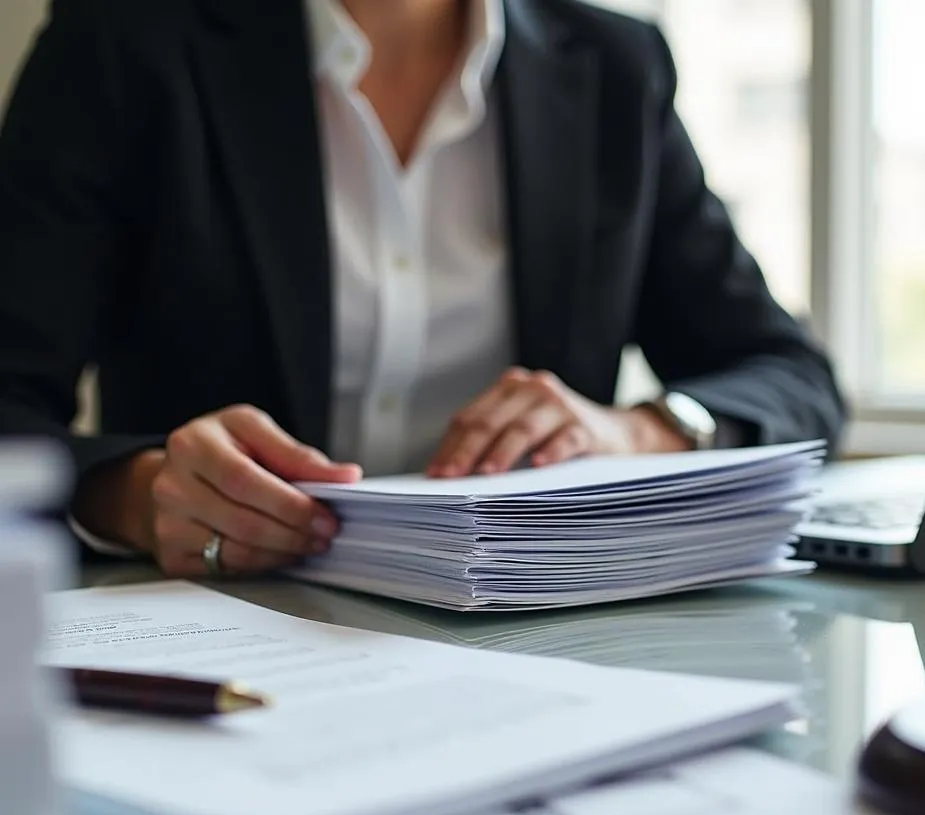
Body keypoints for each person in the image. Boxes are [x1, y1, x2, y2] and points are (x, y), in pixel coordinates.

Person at [0, 0, 845, 578]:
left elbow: (791, 377)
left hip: (543, 649)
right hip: (227, 636)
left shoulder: (613, 68)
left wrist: (640, 430)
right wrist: (138, 495)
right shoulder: (121, 44)